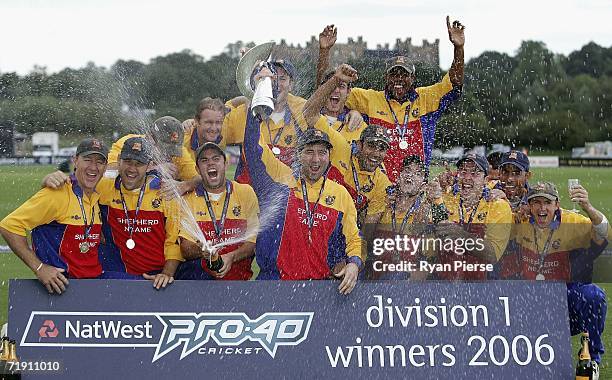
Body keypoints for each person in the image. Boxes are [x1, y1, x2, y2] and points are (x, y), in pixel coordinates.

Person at [316, 17, 465, 181]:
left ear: (413, 78)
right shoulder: (369, 99)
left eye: (404, 75)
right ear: (386, 78)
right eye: (394, 74)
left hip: (415, 190)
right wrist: (325, 51)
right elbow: (326, 90)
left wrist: (458, 48)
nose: (399, 79)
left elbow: (454, 82)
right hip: (377, 191)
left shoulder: (426, 98)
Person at [243, 107, 363, 294]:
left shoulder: (340, 194)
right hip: (275, 285)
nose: (316, 159)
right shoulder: (280, 184)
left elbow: (354, 238)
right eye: (309, 152)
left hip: (319, 289)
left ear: (329, 156)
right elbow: (252, 150)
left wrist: (354, 264)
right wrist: (255, 111)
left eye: (322, 152)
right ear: (298, 154)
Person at [42, 137, 184, 289]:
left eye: (139, 164)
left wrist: (167, 273)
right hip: (121, 274)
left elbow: (173, 241)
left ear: (149, 166)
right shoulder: (103, 186)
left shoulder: (165, 193)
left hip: (158, 275)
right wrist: (47, 180)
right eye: (128, 161)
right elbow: (71, 184)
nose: (132, 169)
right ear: (118, 160)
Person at [505, 182, 610, 365]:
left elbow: (604, 232)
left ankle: (591, 358)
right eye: (536, 202)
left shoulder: (573, 221)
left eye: (547, 202)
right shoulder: (519, 221)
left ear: (557, 204)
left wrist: (587, 207)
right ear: (529, 206)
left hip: (566, 303)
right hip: (531, 304)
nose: (542, 208)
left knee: (593, 295)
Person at [225, 59, 362, 184]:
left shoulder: (300, 107)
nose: (277, 84)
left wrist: (352, 110)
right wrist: (244, 98)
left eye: (283, 78)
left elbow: (317, 111)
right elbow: (216, 133)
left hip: (284, 201)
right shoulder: (246, 110)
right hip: (248, 198)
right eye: (272, 78)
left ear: (291, 85)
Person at [0, 139, 108, 294]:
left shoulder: (97, 194)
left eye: (99, 162)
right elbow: (9, 226)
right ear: (75, 160)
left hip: (92, 284)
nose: (93, 167)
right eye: (87, 160)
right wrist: (39, 268)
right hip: (64, 289)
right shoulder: (56, 193)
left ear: (105, 167)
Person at [304, 64, 391, 227]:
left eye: (341, 86)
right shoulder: (307, 115)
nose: (335, 90)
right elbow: (309, 112)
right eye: (331, 85)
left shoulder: (361, 128)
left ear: (349, 92)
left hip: (342, 209)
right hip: (307, 201)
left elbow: (375, 169)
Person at [176, 142, 259, 281]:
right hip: (199, 283)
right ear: (197, 169)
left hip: (238, 284)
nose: (210, 164)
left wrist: (231, 257)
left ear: (225, 164)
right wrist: (202, 251)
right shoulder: (188, 199)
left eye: (216, 159)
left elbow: (253, 243)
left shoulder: (245, 192)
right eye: (204, 160)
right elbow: (185, 248)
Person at [364, 155, 447, 280]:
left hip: (406, 285)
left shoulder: (425, 212)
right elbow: (364, 238)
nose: (410, 175)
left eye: (418, 174)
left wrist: (435, 200)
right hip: (374, 278)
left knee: (394, 276)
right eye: (407, 170)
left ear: (423, 186)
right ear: (399, 177)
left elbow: (428, 264)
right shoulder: (383, 203)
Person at [435, 153, 513, 280]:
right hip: (445, 283)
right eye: (463, 172)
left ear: (486, 180)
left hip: (482, 286)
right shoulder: (445, 199)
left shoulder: (498, 206)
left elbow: (493, 254)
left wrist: (461, 235)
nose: (467, 178)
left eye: (475, 173)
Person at [107, 116, 200, 196]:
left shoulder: (179, 153)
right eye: (164, 149)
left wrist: (185, 185)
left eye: (171, 151)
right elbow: (107, 171)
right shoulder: (128, 142)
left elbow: (199, 178)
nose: (167, 154)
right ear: (149, 137)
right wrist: (153, 170)